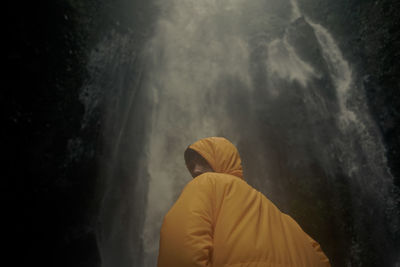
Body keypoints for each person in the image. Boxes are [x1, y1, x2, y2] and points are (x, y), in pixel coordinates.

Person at [157, 137, 330, 267]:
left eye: (202, 161)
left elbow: (183, 247)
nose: (195, 169)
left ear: (222, 159)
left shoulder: (207, 184)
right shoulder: (288, 222)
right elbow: (321, 260)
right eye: (192, 165)